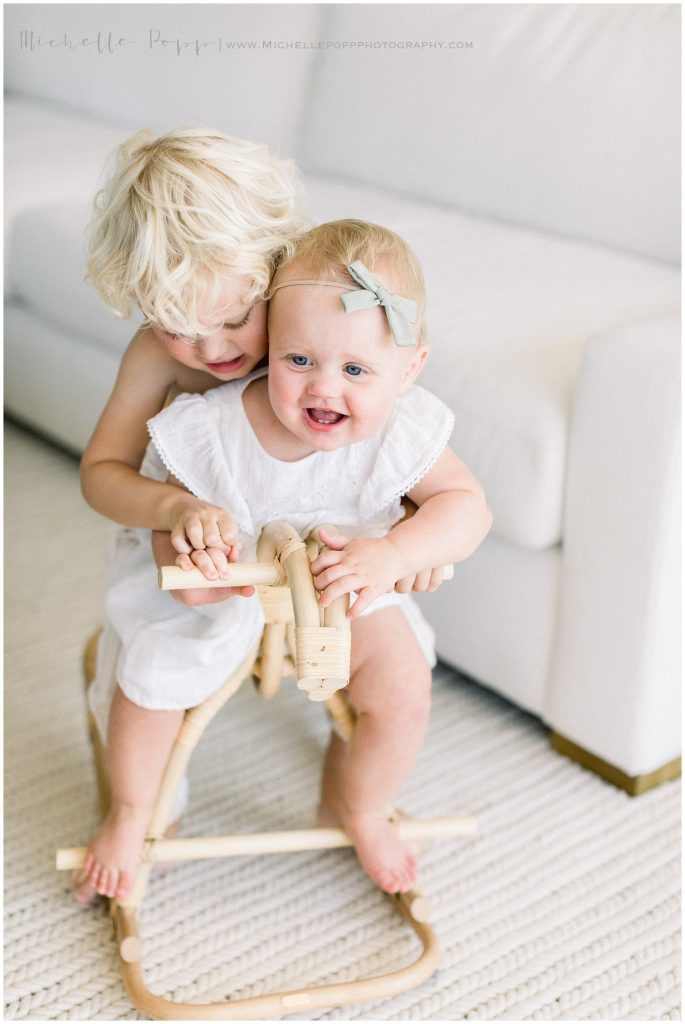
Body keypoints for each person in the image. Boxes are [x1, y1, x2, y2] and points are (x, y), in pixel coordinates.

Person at [144, 220, 492, 896]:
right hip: (237, 593)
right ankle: (143, 812)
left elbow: (466, 507)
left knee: (402, 692)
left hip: (350, 591)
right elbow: (175, 506)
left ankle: (356, 806)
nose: (322, 390)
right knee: (152, 682)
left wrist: (394, 550)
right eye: (297, 361)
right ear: (268, 346)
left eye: (356, 370)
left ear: (408, 368)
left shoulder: (400, 425)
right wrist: (190, 552)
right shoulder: (217, 426)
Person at [72, 126, 306, 904]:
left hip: (306, 550)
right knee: (147, 669)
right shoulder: (156, 356)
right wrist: (169, 504)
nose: (212, 349)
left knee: (396, 660)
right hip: (182, 553)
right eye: (179, 325)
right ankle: (136, 813)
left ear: (278, 269)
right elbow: (101, 474)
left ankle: (358, 798)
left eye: (237, 317)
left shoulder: (306, 330)